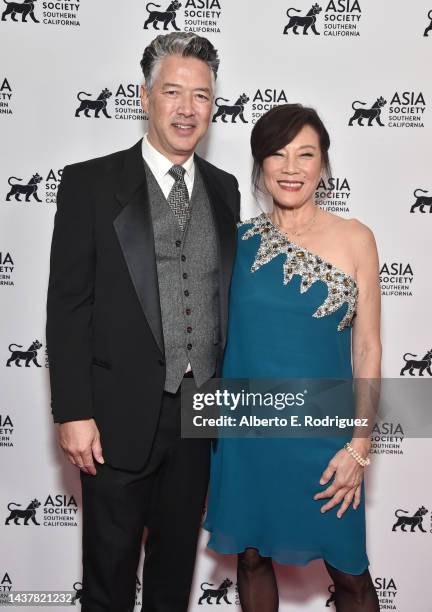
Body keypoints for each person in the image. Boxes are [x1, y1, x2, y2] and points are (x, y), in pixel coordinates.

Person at [46, 32, 240, 611]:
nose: (187, 109)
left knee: (173, 577)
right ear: (144, 97)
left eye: (201, 96)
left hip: (197, 419)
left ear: (212, 106)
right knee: (108, 578)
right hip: (113, 418)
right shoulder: (89, 184)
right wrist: (73, 411)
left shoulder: (225, 190)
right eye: (173, 92)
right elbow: (68, 304)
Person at [204, 104, 381, 612]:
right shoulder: (235, 241)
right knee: (253, 559)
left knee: (350, 574)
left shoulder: (356, 238)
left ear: (323, 164)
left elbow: (369, 348)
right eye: (277, 154)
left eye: (305, 154)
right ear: (259, 165)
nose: (290, 167)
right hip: (247, 434)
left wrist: (360, 445)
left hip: (326, 437)